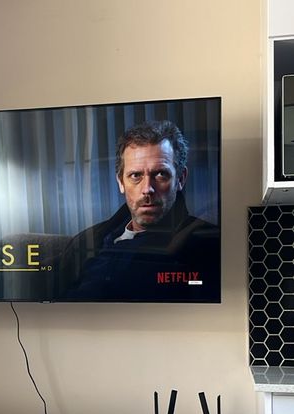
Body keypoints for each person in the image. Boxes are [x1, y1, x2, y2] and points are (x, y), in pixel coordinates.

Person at [58, 119, 219, 301]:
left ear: (180, 179)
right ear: (121, 182)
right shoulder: (87, 241)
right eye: (135, 175)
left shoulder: (205, 245)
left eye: (160, 174)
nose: (147, 189)